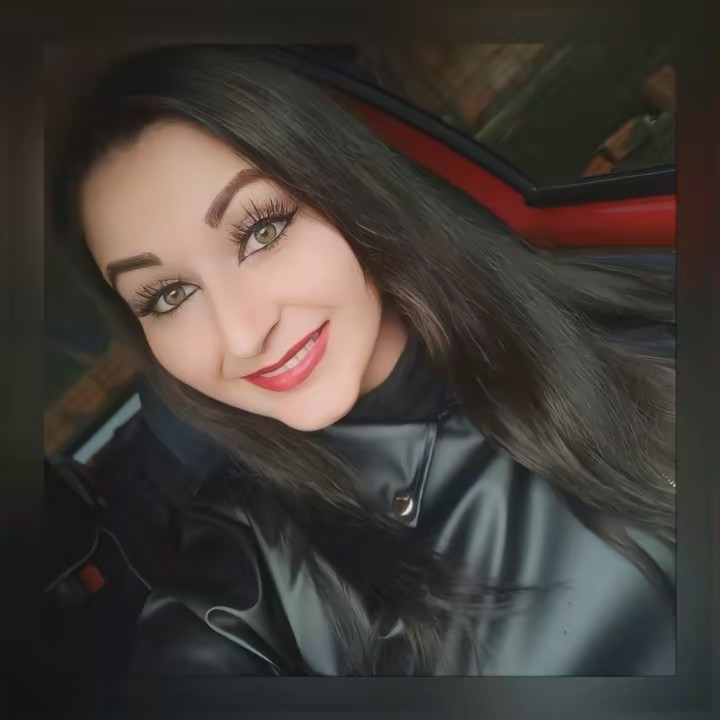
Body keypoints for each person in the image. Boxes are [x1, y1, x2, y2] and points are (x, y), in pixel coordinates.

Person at [52, 45, 676, 681]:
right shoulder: (247, 579)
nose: (242, 335)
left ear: (347, 189)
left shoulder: (629, 316)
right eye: (169, 295)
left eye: (262, 231)